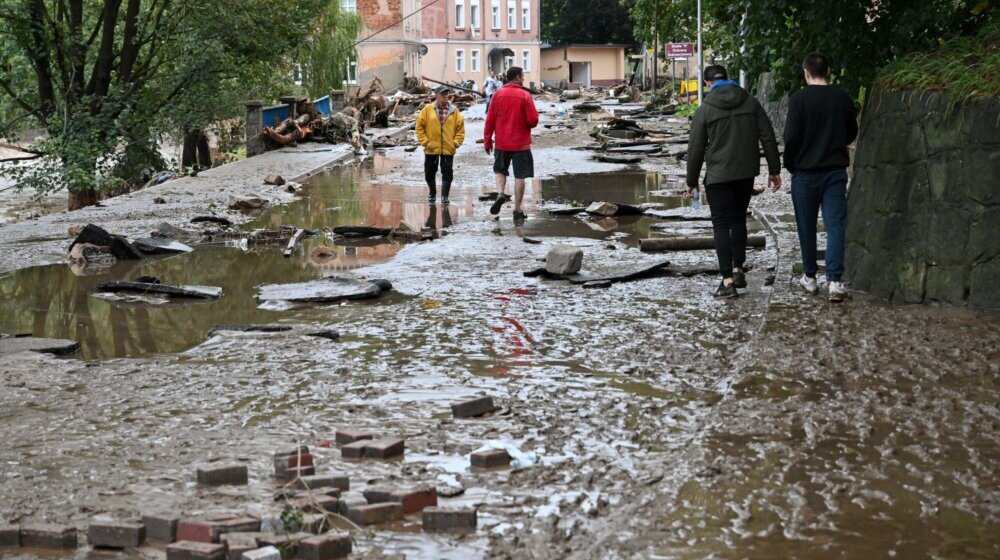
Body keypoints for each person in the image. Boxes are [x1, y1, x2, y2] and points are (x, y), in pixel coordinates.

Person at [686, 64, 781, 298]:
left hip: (718, 176)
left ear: (707, 83)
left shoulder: (705, 109)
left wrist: (691, 181)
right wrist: (774, 169)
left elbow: (695, 150)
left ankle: (727, 281)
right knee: (738, 218)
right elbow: (768, 135)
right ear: (728, 79)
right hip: (745, 173)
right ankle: (738, 269)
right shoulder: (750, 102)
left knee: (720, 224)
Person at [784, 52, 858, 303]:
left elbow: (791, 136)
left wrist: (790, 164)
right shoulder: (842, 98)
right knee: (835, 225)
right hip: (834, 171)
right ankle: (835, 282)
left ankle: (810, 277)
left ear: (806, 72)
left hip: (805, 173)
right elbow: (852, 131)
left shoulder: (799, 99)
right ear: (828, 71)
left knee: (806, 226)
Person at [484, 66, 539, 223]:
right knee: (520, 175)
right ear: (517, 77)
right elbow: (533, 121)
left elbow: (490, 120)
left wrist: (487, 140)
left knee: (500, 170)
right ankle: (517, 210)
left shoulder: (497, 95)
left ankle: (501, 193)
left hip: (501, 142)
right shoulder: (525, 95)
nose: (524, 79)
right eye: (522, 76)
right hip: (521, 144)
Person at [415, 85, 466, 204]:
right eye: (442, 94)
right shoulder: (428, 109)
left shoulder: (454, 111)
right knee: (429, 173)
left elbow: (460, 130)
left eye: (446, 93)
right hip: (431, 147)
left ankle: (444, 197)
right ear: (436, 95)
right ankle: (432, 192)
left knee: (447, 173)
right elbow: (419, 127)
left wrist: (455, 143)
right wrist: (425, 142)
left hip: (448, 148)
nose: (445, 96)